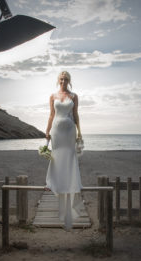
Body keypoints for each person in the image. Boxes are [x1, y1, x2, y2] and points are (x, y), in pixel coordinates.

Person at [45, 71, 83, 230]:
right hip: (56, 132)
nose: (63, 81)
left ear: (69, 81)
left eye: (66, 79)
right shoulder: (52, 96)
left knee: (69, 156)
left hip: (69, 132)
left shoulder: (74, 96)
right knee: (57, 156)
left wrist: (80, 132)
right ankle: (56, 182)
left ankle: (69, 184)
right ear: (58, 80)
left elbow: (76, 115)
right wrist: (46, 132)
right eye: (61, 78)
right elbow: (51, 115)